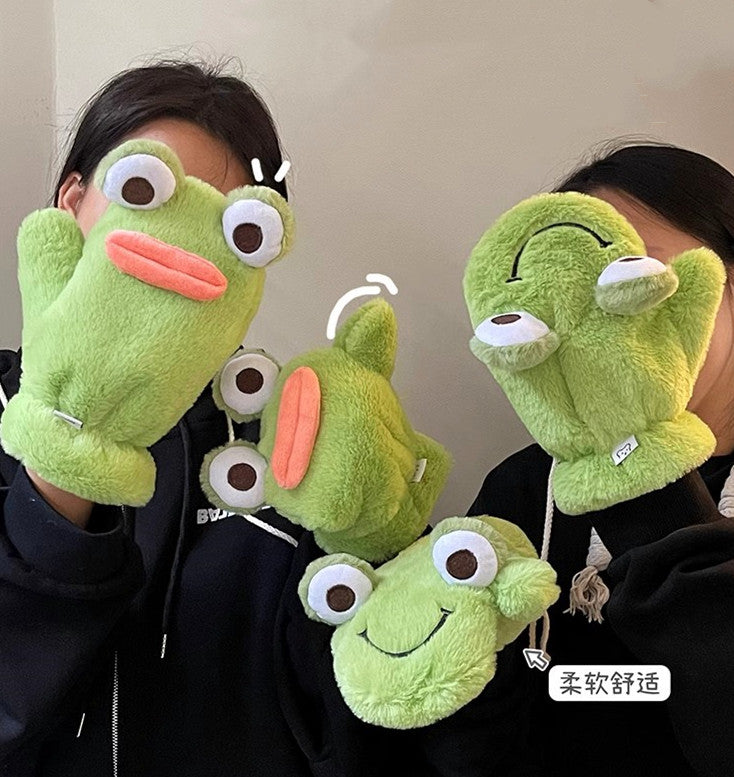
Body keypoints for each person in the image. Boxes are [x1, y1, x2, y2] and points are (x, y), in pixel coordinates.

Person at [466, 142, 734, 777]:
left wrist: (648, 480)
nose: (602, 333)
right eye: (575, 298)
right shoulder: (524, 491)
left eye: (636, 280)